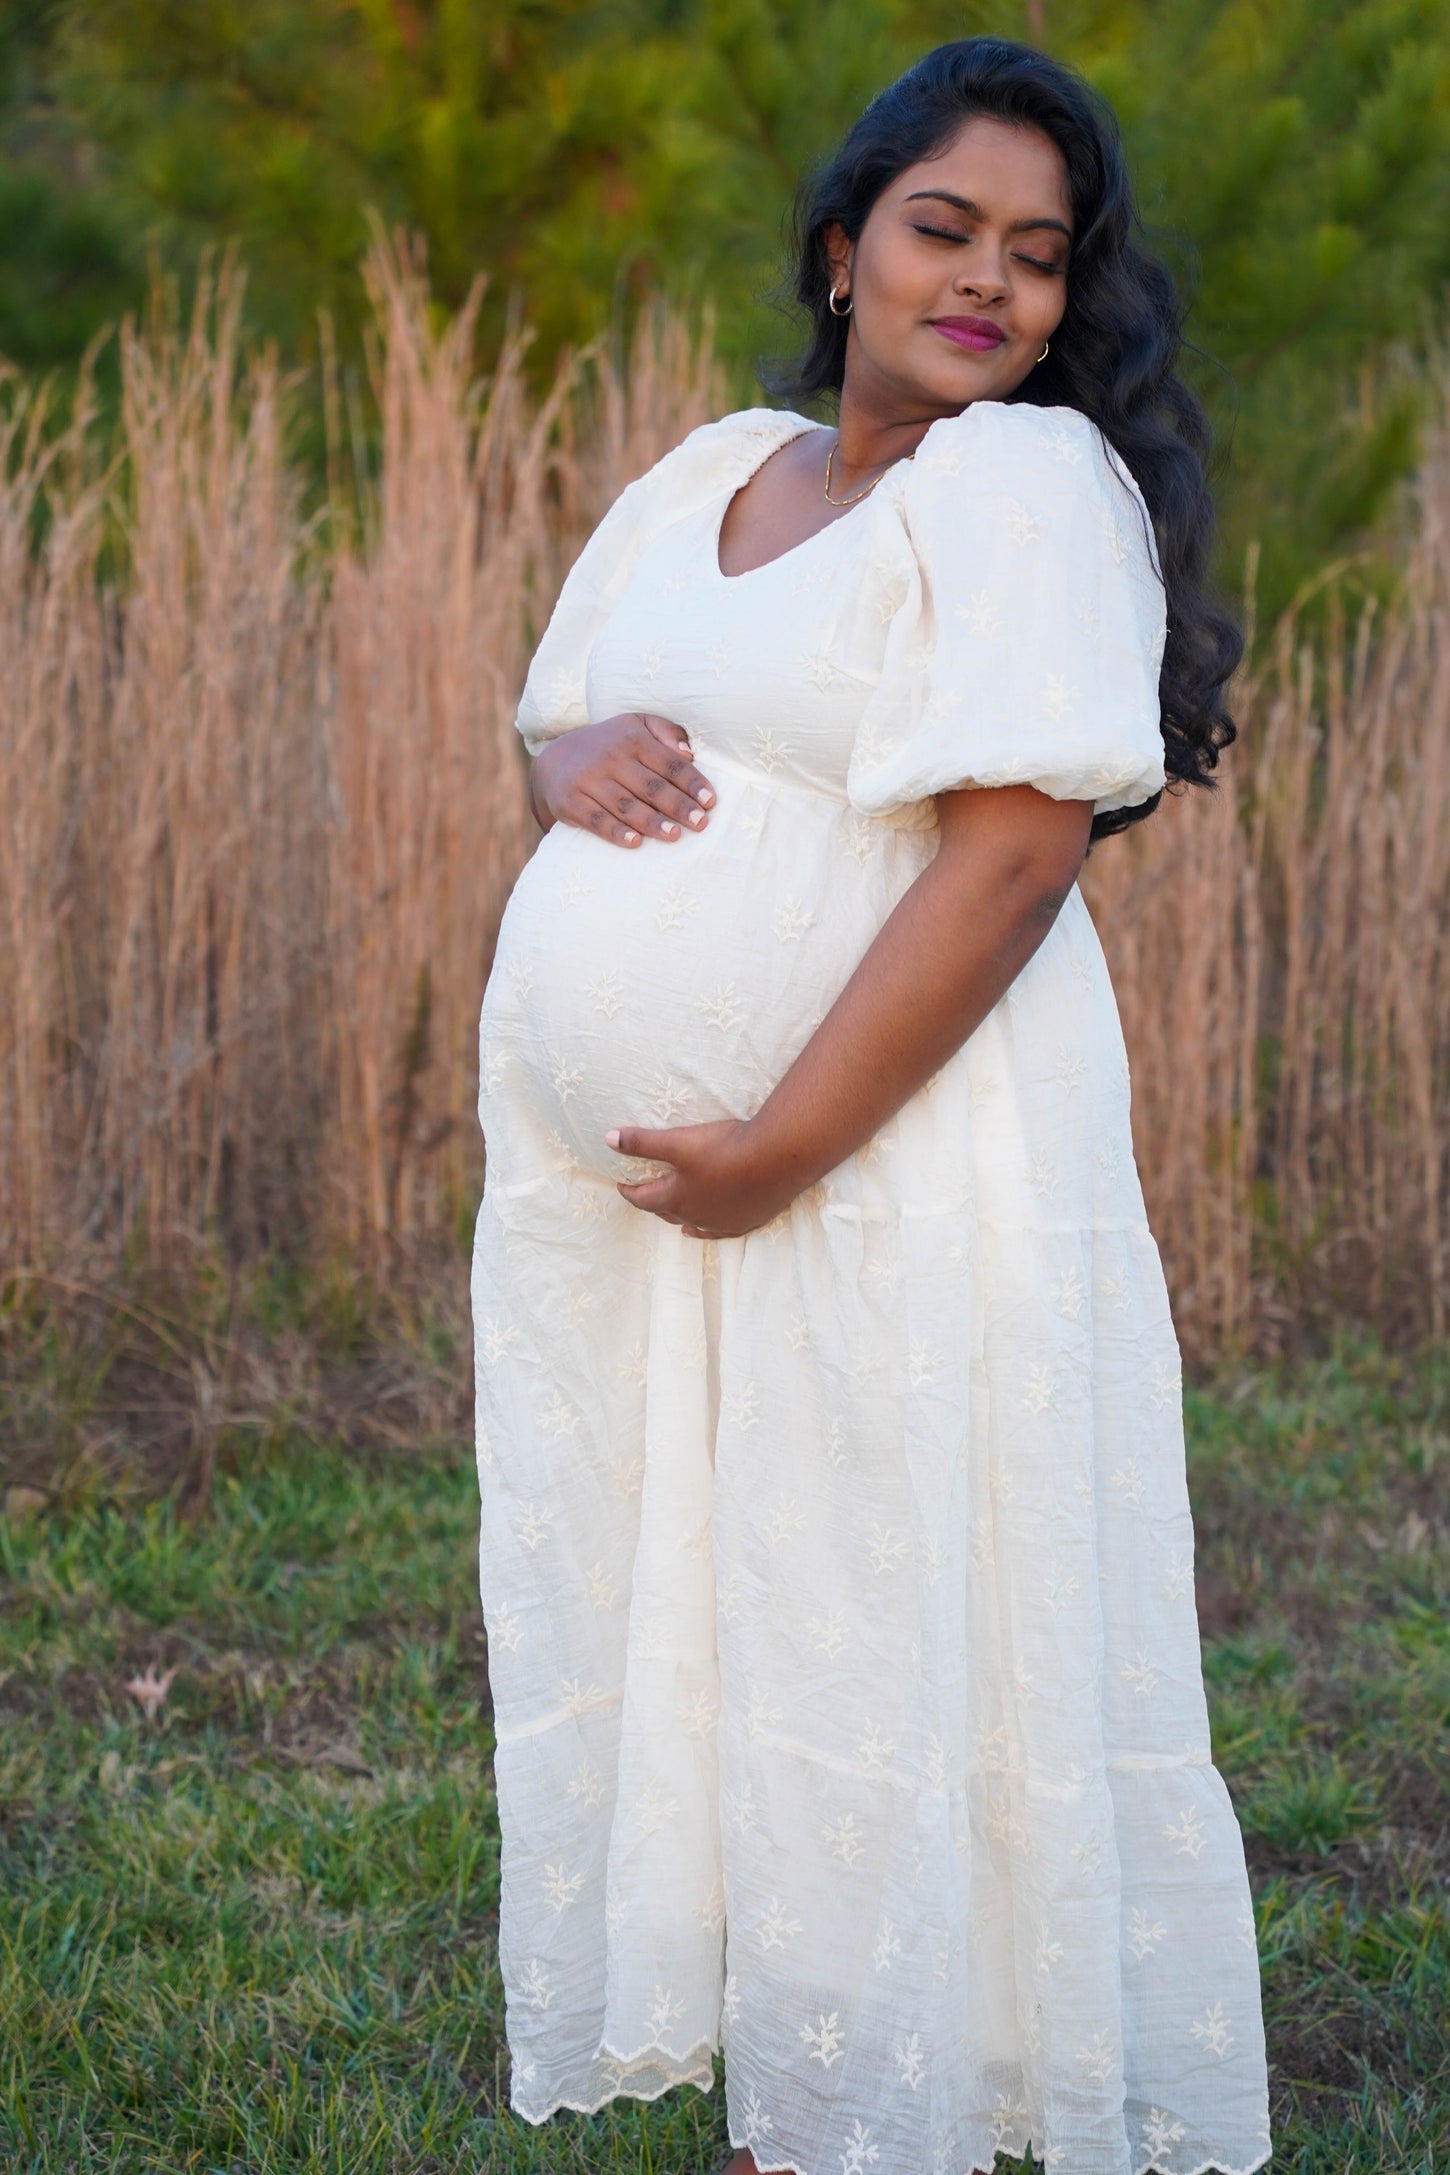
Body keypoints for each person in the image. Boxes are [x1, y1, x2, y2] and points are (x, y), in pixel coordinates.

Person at [470, 34, 1272, 2175]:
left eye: (1036, 256)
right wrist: (559, 770)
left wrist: (787, 1145)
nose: (985, 284)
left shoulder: (1015, 485)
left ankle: (860, 2115)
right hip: (675, 1215)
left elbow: (1011, 856)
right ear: (840, 250)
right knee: (728, 1608)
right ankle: (802, 2083)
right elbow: (564, 711)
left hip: (893, 1162)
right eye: (941, 229)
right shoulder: (709, 466)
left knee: (868, 1612)